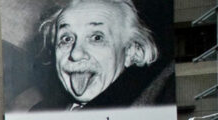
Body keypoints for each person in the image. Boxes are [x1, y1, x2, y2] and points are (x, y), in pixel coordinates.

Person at [33, 0, 169, 110]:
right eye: (66, 39)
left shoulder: (152, 107)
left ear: (131, 51)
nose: (76, 54)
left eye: (97, 37)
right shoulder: (39, 114)